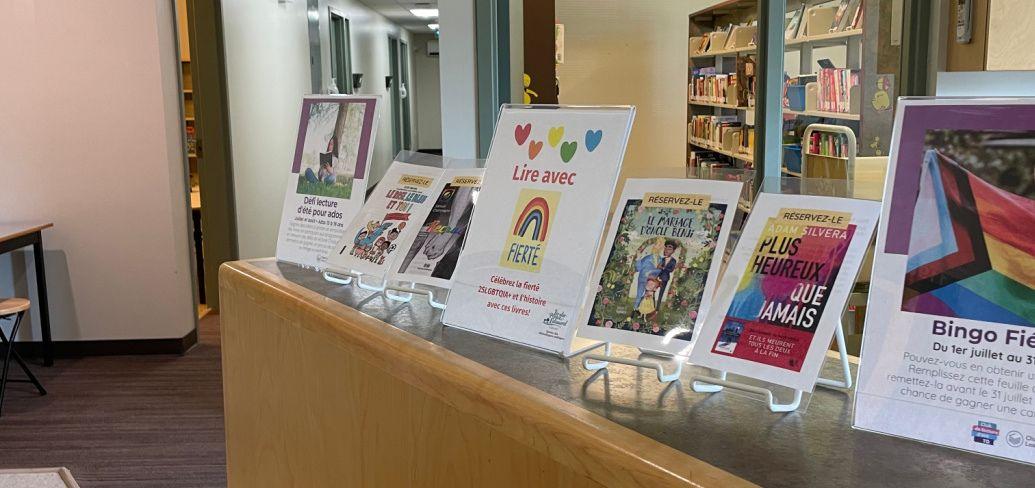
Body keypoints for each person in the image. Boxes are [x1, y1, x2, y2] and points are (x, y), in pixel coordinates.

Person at [655, 240, 679, 307]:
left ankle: (657, 307)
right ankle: (651, 305)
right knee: (653, 290)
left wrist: (662, 268)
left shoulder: (673, 261)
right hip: (658, 276)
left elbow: (671, 270)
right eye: (665, 248)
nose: (666, 250)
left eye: (669, 249)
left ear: (673, 251)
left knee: (661, 293)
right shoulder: (662, 259)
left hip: (665, 278)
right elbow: (658, 267)